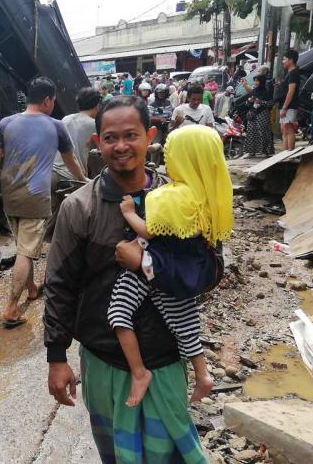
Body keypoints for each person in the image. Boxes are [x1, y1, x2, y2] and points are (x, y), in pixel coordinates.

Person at [44, 96, 206, 463]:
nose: (121, 147)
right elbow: (59, 285)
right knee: (117, 455)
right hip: (105, 363)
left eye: (130, 135)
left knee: (172, 456)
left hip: (166, 359)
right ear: (97, 142)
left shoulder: (180, 199)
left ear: (150, 136)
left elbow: (210, 270)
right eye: (110, 137)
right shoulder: (79, 207)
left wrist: (149, 266)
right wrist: (57, 357)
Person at [108, 125, 232, 407]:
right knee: (184, 322)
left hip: (156, 266)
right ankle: (202, 374)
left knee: (118, 312)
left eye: (169, 156)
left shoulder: (172, 196)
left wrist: (128, 213)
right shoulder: (208, 195)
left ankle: (139, 373)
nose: (165, 163)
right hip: (185, 271)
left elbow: (150, 231)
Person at [0, 77, 88, 328]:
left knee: (23, 247)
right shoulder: (56, 126)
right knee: (26, 251)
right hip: (36, 197)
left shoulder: (6, 123)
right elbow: (72, 162)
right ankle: (11, 308)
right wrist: (85, 181)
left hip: (9, 195)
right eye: (53, 101)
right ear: (48, 100)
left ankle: (32, 289)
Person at [53, 87, 102, 183]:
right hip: (72, 176)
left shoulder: (66, 118)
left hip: (53, 171)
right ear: (97, 106)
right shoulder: (94, 124)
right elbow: (102, 149)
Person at [242, 74, 274, 158]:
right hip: (252, 114)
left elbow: (270, 103)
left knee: (263, 132)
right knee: (251, 132)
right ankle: (251, 152)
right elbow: (247, 103)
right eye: (255, 80)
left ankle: (266, 151)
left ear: (262, 81)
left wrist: (260, 102)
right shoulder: (253, 91)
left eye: (257, 81)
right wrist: (249, 101)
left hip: (262, 114)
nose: (256, 82)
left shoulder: (267, 92)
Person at [278, 49, 301, 151]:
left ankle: (289, 155)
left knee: (288, 129)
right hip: (287, 106)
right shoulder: (291, 73)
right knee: (285, 130)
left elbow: (291, 92)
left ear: (291, 60)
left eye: (284, 59)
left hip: (289, 106)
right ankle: (285, 154)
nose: (282, 61)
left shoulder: (293, 73)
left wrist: (284, 107)